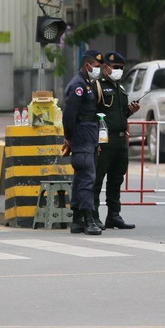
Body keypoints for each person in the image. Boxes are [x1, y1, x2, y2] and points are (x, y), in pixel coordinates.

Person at [93, 51, 140, 229]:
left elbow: (120, 114)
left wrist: (130, 110)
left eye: (121, 68)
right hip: (104, 140)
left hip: (120, 140)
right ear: (105, 68)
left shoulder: (120, 88)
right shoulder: (97, 86)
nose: (118, 71)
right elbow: (93, 113)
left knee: (116, 179)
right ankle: (93, 215)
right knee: (97, 179)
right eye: (115, 67)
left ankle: (114, 215)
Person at [62, 49, 104, 235]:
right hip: (82, 137)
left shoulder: (87, 84)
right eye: (96, 67)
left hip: (89, 137)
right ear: (87, 66)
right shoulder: (78, 86)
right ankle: (88, 219)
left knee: (80, 179)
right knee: (88, 179)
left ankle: (77, 220)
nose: (98, 70)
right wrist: (69, 138)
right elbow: (69, 115)